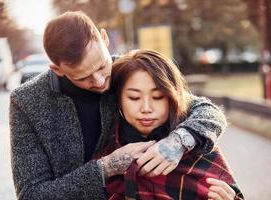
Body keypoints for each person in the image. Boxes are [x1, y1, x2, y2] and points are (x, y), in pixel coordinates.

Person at [9, 11, 227, 200]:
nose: (100, 81)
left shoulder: (125, 71)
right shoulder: (27, 101)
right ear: (57, 69)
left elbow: (207, 112)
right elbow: (31, 194)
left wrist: (179, 141)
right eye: (84, 77)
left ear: (104, 39)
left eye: (102, 66)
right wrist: (106, 168)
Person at [98, 49, 244, 200]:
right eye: (134, 97)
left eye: (158, 97)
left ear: (172, 98)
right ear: (118, 99)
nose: (146, 108)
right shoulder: (104, 150)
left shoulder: (199, 146)